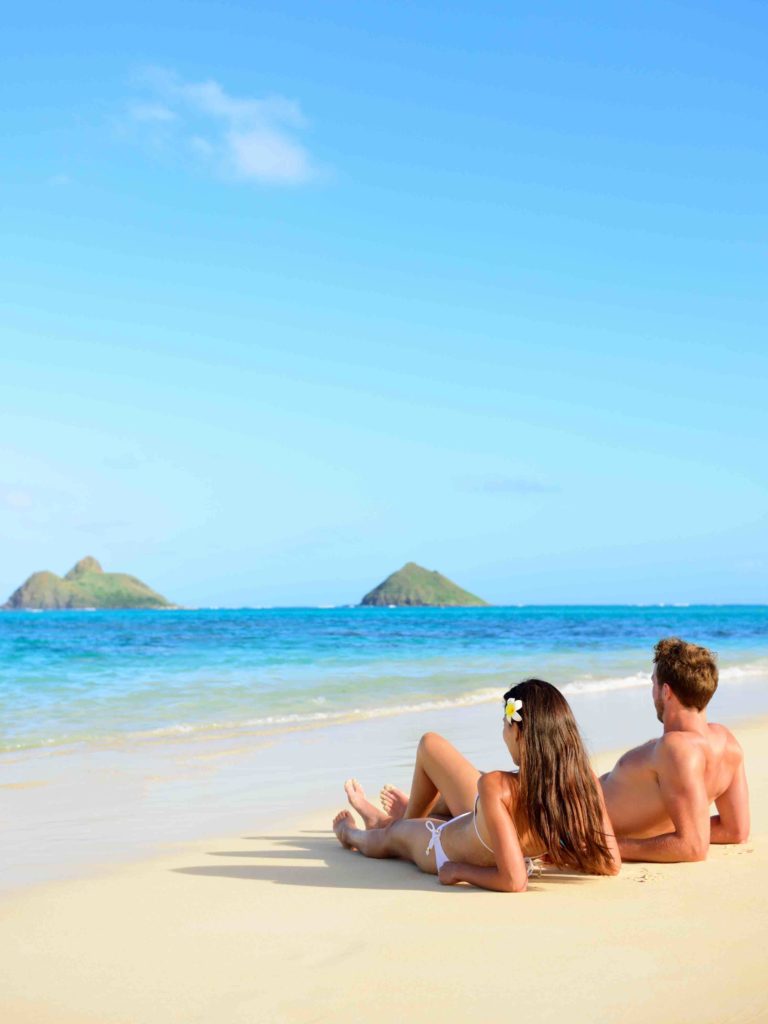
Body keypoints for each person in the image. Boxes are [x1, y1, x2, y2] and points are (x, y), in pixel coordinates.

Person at [332, 679, 620, 892]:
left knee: (392, 836)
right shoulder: (586, 785)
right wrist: (553, 853)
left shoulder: (496, 785)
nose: (503, 734)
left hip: (442, 846)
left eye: (505, 725)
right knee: (431, 796)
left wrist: (460, 870)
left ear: (518, 731)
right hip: (476, 832)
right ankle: (392, 818)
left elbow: (514, 881)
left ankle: (351, 834)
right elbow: (611, 863)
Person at [599, 637, 750, 862]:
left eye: (654, 684)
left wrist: (608, 846)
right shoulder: (727, 742)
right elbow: (736, 831)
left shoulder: (676, 748)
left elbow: (693, 847)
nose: (652, 693)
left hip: (568, 823)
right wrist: (666, 836)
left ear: (666, 692)